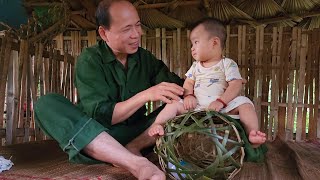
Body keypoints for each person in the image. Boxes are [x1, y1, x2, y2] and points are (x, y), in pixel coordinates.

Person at [34, 0, 185, 179]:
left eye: (137, 26)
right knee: (46, 103)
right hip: (97, 138)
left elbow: (178, 88)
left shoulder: (145, 59)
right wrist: (145, 95)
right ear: (104, 33)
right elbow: (104, 116)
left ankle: (132, 149)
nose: (136, 34)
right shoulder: (90, 60)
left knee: (181, 103)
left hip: (140, 134)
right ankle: (135, 163)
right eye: (127, 29)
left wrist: (205, 75)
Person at [148, 18, 266, 147]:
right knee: (173, 104)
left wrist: (221, 101)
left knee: (245, 103)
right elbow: (188, 83)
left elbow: (236, 84)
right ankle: (158, 124)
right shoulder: (195, 67)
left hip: (223, 108)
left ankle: (252, 133)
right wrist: (188, 96)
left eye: (196, 42)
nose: (192, 48)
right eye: (192, 44)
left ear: (214, 42)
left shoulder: (227, 64)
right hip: (196, 107)